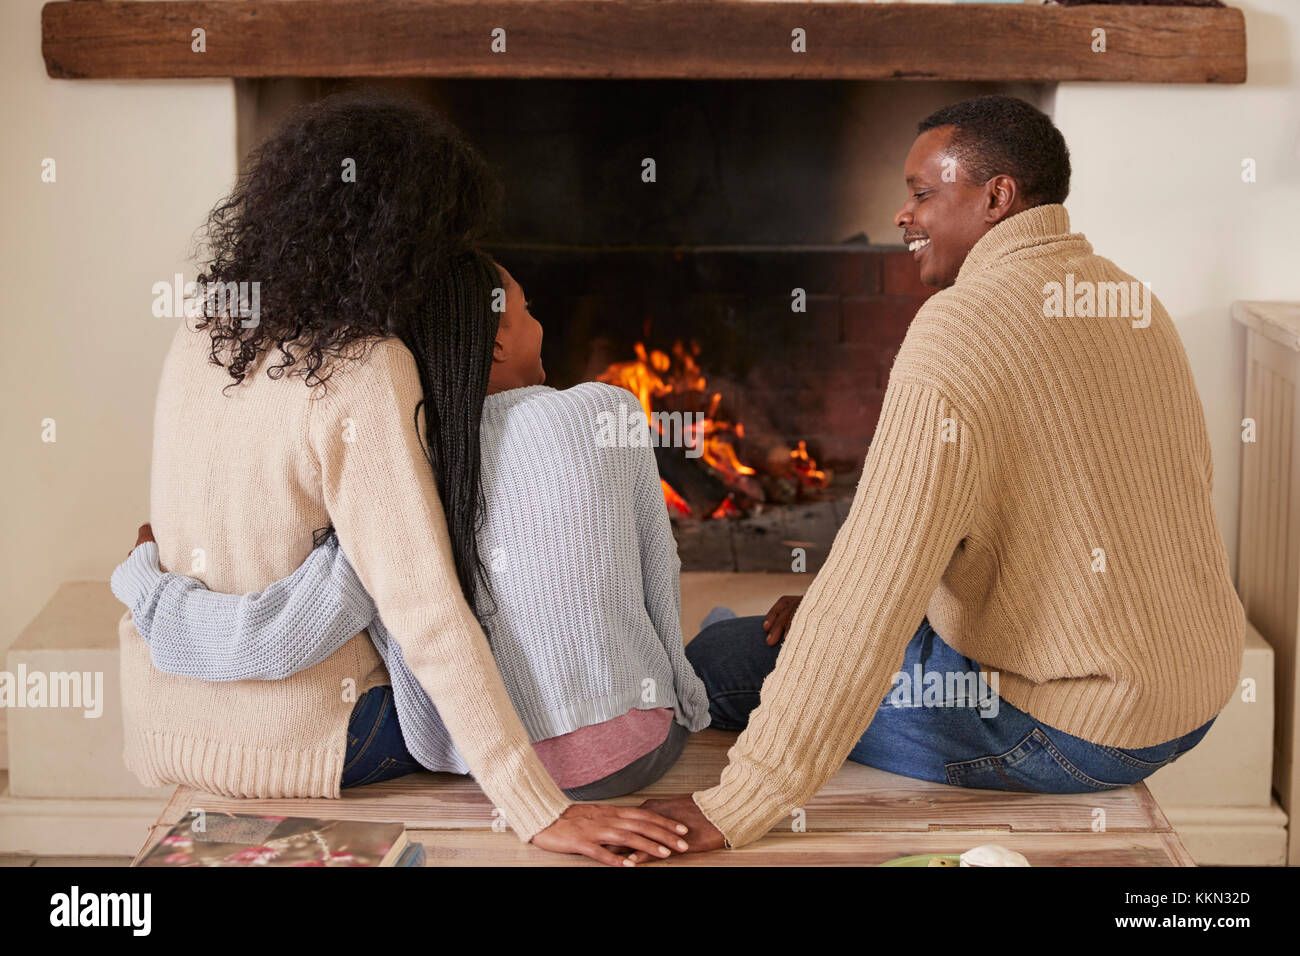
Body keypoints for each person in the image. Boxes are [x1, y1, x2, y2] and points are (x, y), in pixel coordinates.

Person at [630, 95, 1245, 856]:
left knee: (719, 660)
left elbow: (874, 584)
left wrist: (740, 800)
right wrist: (830, 606)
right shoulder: (1128, 298)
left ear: (997, 197)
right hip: (1193, 688)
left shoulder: (963, 326)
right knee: (785, 628)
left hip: (1074, 730)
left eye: (924, 192)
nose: (902, 213)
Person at [116, 90, 694, 866]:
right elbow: (422, 606)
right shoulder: (364, 368)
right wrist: (536, 808)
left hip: (166, 718)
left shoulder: (202, 331)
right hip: (318, 741)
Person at [113, 257, 710, 802]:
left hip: (492, 766)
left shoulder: (404, 465)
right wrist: (684, 694)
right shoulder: (604, 410)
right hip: (642, 746)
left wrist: (147, 583)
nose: (542, 326)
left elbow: (280, 634)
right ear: (497, 341)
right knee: (722, 646)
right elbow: (658, 569)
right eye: (529, 310)